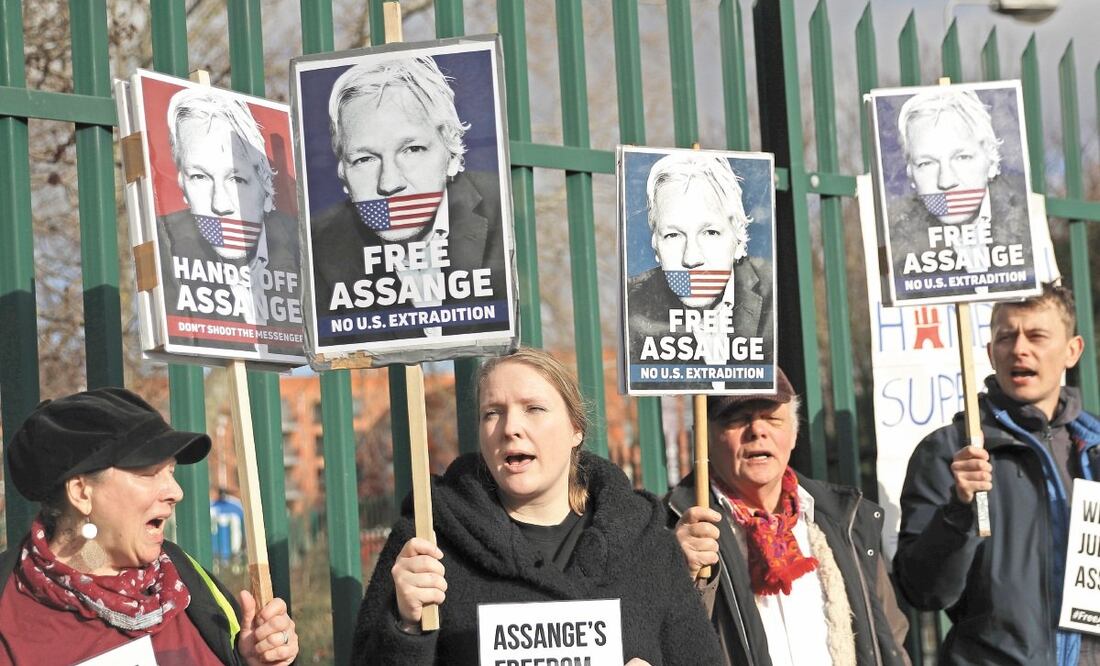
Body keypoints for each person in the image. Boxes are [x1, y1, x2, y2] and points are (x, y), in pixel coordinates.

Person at [353, 347, 723, 665]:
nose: (510, 427)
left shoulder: (648, 547)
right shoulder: (427, 543)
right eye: (492, 412)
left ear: (575, 428)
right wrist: (404, 625)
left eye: (533, 409)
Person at [0, 387, 298, 664]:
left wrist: (250, 658)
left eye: (170, 471)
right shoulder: (10, 610)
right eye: (149, 473)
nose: (176, 492)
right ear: (81, 493)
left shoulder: (184, 575)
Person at [895, 282, 1100, 665]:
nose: (1020, 348)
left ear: (1072, 351)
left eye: (1037, 335)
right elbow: (924, 592)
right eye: (1006, 337)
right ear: (991, 353)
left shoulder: (1093, 449)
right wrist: (959, 511)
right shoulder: (951, 451)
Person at [667, 368, 910, 665]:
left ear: (794, 434)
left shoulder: (844, 520)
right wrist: (678, 571)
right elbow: (658, 642)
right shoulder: (674, 530)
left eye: (772, 418)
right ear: (704, 437)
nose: (757, 431)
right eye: (737, 419)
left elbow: (889, 636)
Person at [310, 56, 508, 345]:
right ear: (343, 172)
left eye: (412, 149)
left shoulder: (502, 213)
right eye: (365, 159)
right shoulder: (316, 247)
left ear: (451, 155)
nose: (389, 183)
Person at [160, 86, 304, 353]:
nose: (220, 204)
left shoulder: (306, 250)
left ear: (265, 186)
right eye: (200, 177)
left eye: (236, 179)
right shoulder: (165, 252)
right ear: (182, 186)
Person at [626, 152, 773, 391]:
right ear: (656, 246)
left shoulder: (775, 293)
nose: (691, 258)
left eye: (710, 232)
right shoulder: (633, 305)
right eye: (673, 235)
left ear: (737, 238)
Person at [887, 88, 1030, 281]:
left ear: (991, 161)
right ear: (910, 173)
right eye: (926, 163)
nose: (946, 181)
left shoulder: (1029, 219)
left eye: (962, 157)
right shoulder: (896, 244)